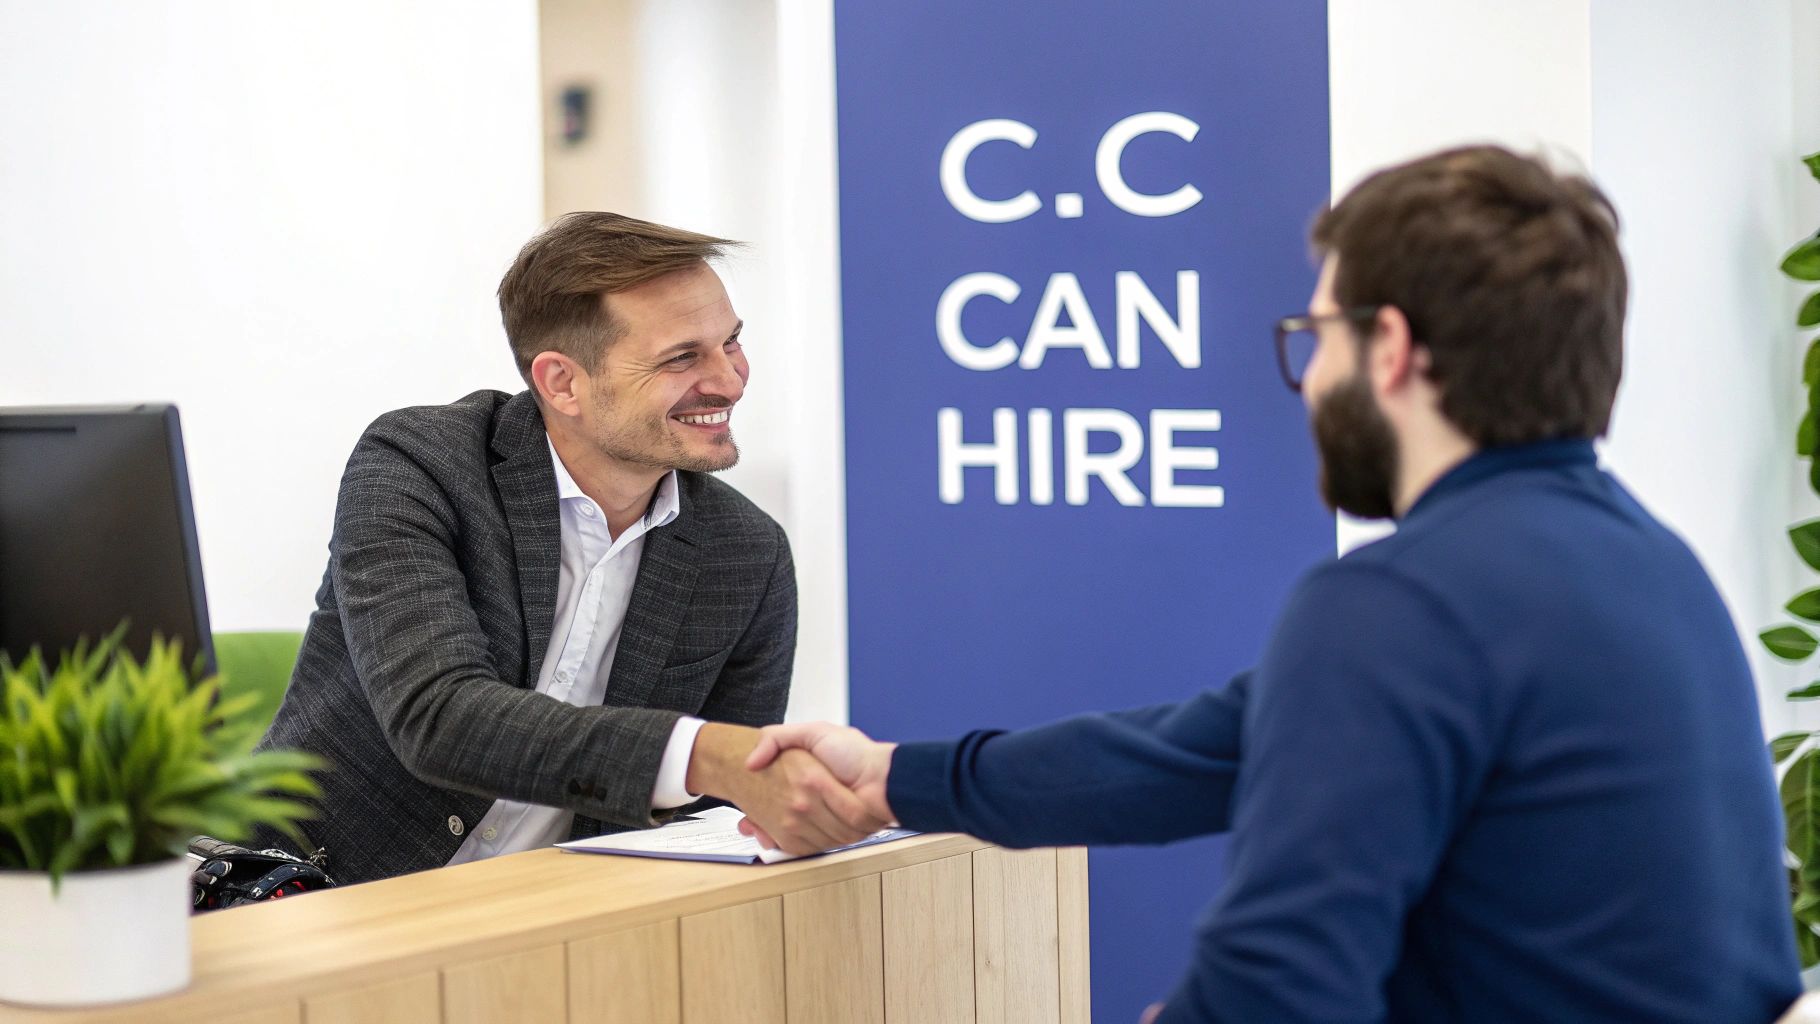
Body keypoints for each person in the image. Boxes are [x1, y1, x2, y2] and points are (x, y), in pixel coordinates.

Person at [743, 146, 1804, 1022]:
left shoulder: (1401, 603)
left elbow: (1277, 980)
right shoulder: (1648, 566)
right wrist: (887, 776)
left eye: (1315, 338)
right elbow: (1190, 754)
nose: (1307, 382)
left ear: (1388, 349)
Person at [256, 213, 877, 884]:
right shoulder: (420, 465)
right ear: (561, 383)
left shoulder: (747, 554)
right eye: (682, 357)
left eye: (732, 343)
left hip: (564, 924)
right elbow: (439, 718)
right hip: (314, 895)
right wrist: (707, 754)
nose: (729, 380)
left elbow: (722, 820)